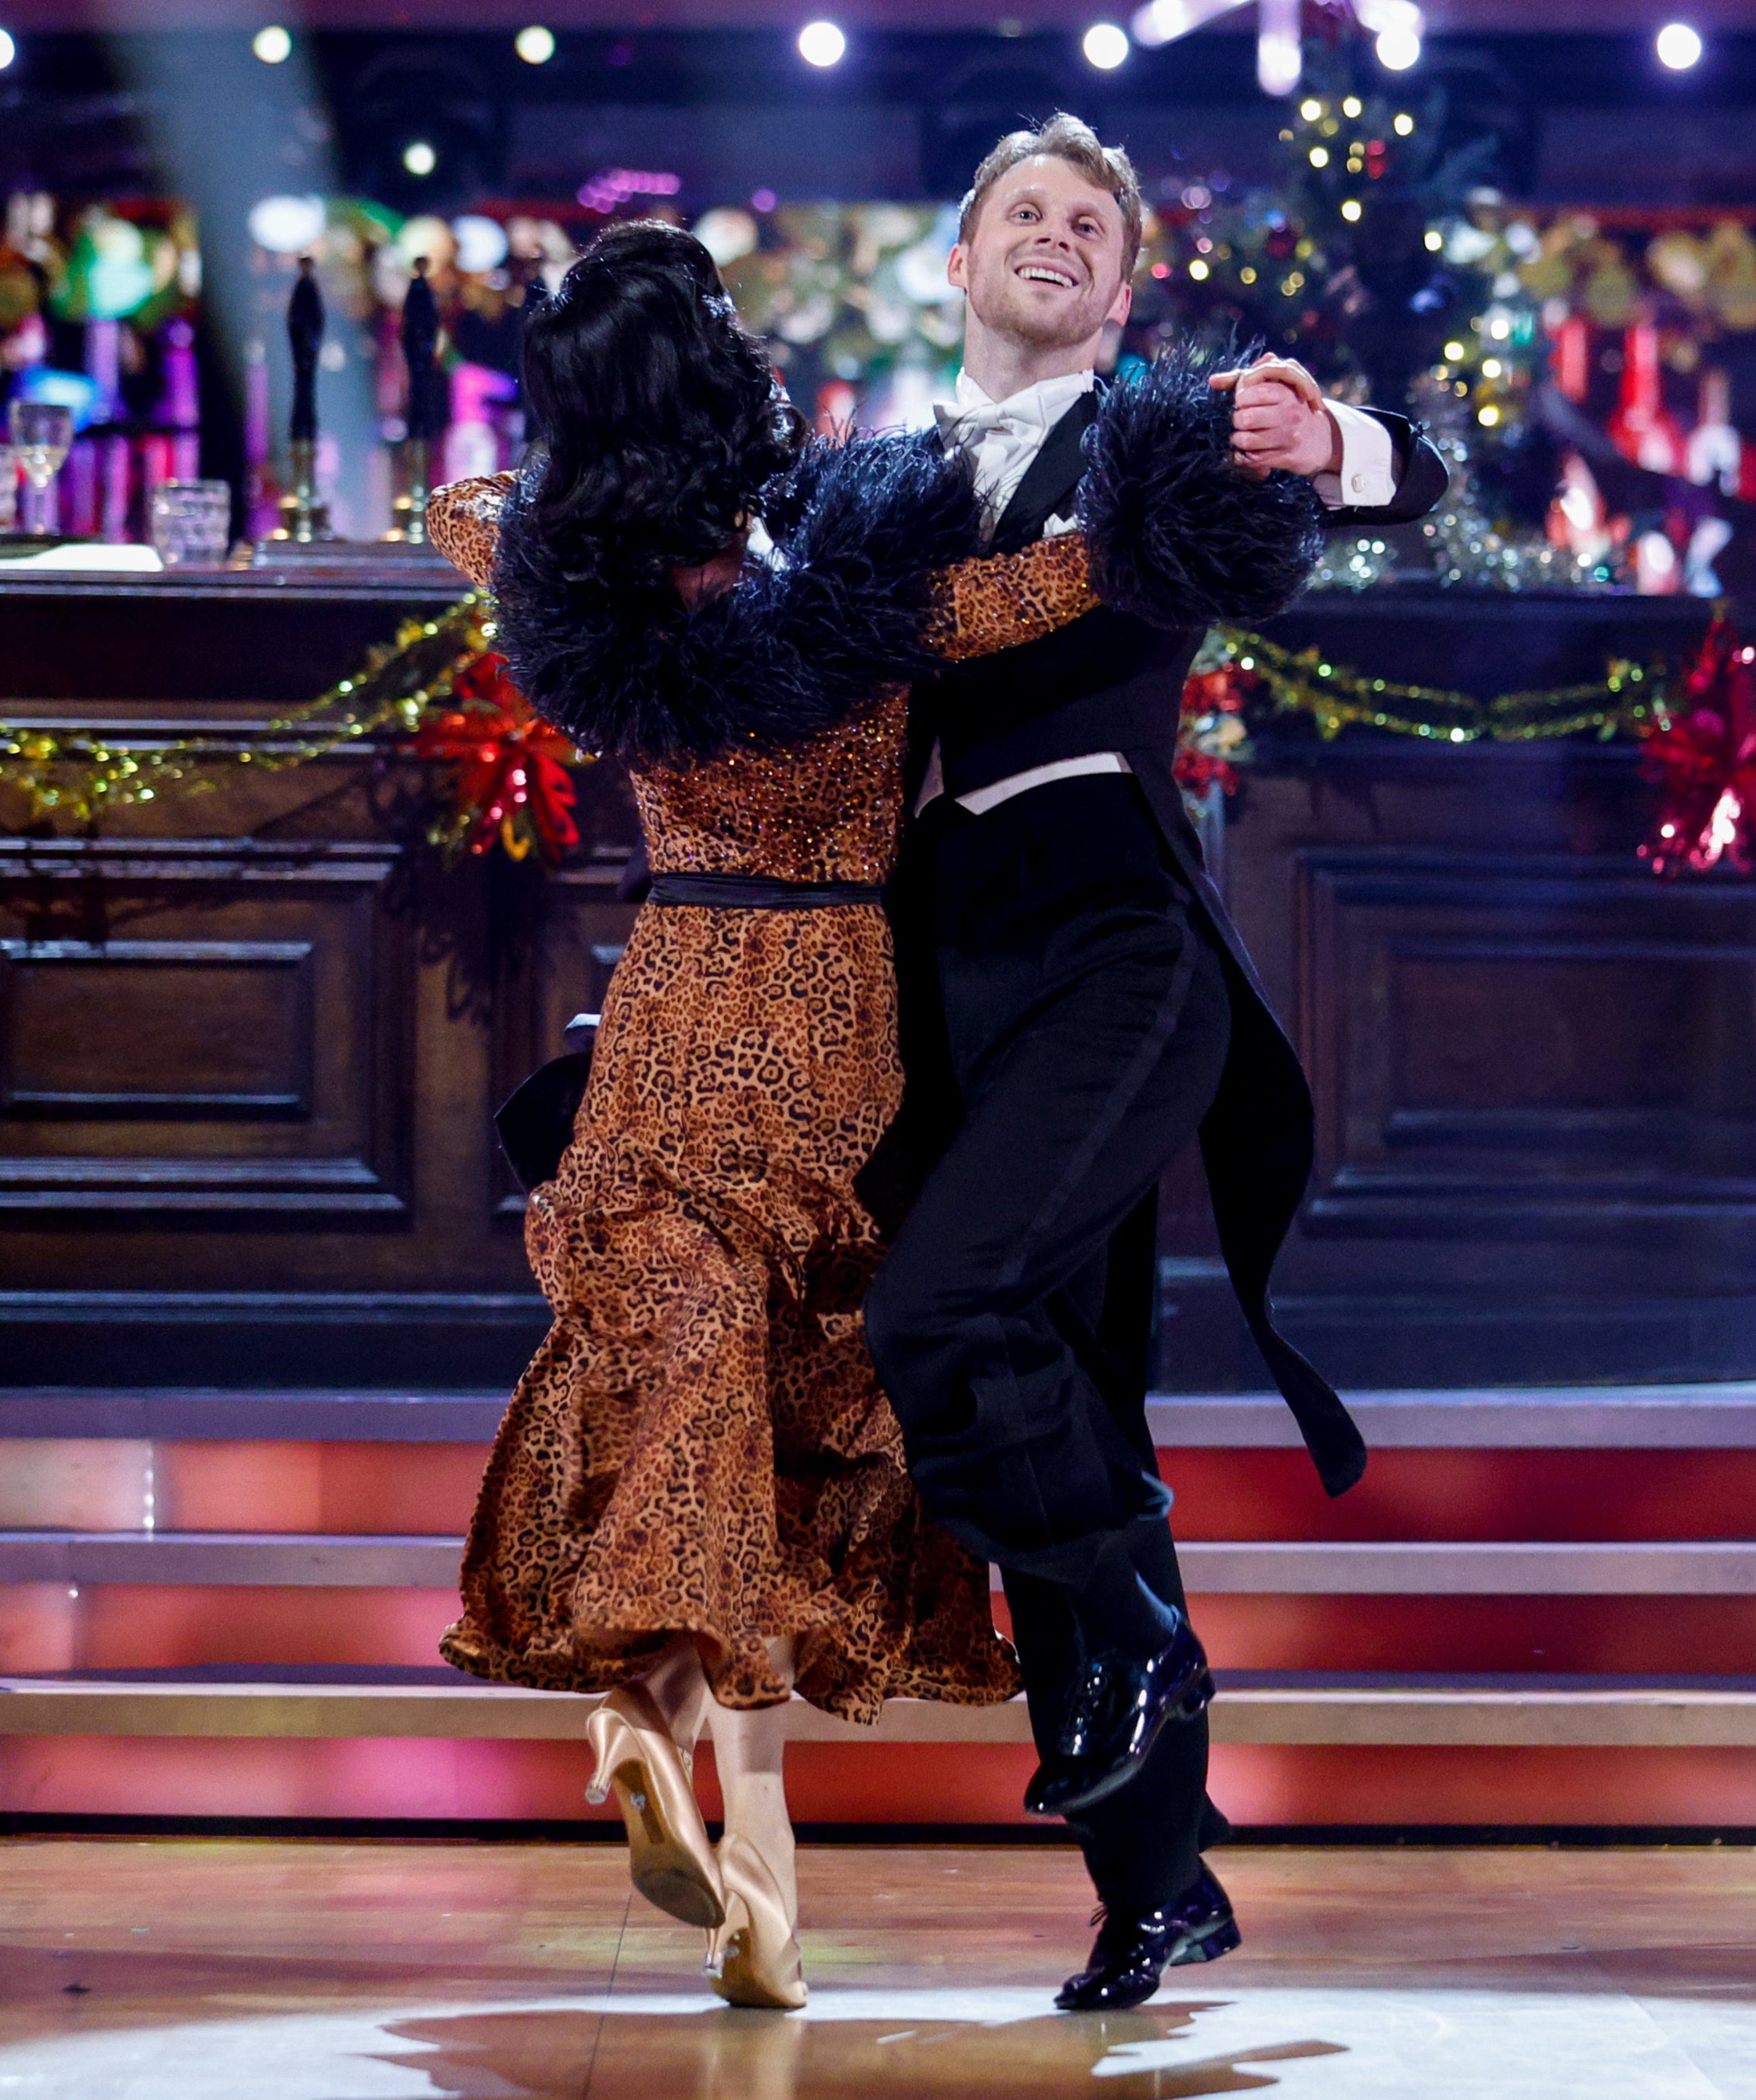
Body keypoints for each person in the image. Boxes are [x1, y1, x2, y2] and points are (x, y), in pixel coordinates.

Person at [421, 220, 1334, 2012]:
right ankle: (753, 1863)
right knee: (796, 1413)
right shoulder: (862, 611)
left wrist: (586, 496)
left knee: (678, 1379)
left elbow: (459, 506)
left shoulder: (565, 588)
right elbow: (1052, 589)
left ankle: (660, 1744)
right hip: (829, 1019)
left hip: (673, 1004)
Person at [862, 116, 1448, 2013]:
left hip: (1116, 937)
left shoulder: (1159, 434)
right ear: (959, 268)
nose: (1050, 236)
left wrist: (1330, 435)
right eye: (1018, 214)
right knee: (1063, 1387)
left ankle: (1131, 1646)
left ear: (1122, 289)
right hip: (940, 961)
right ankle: (1159, 1882)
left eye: (1085, 224)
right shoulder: (875, 482)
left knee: (945, 1312)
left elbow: (1403, 482)